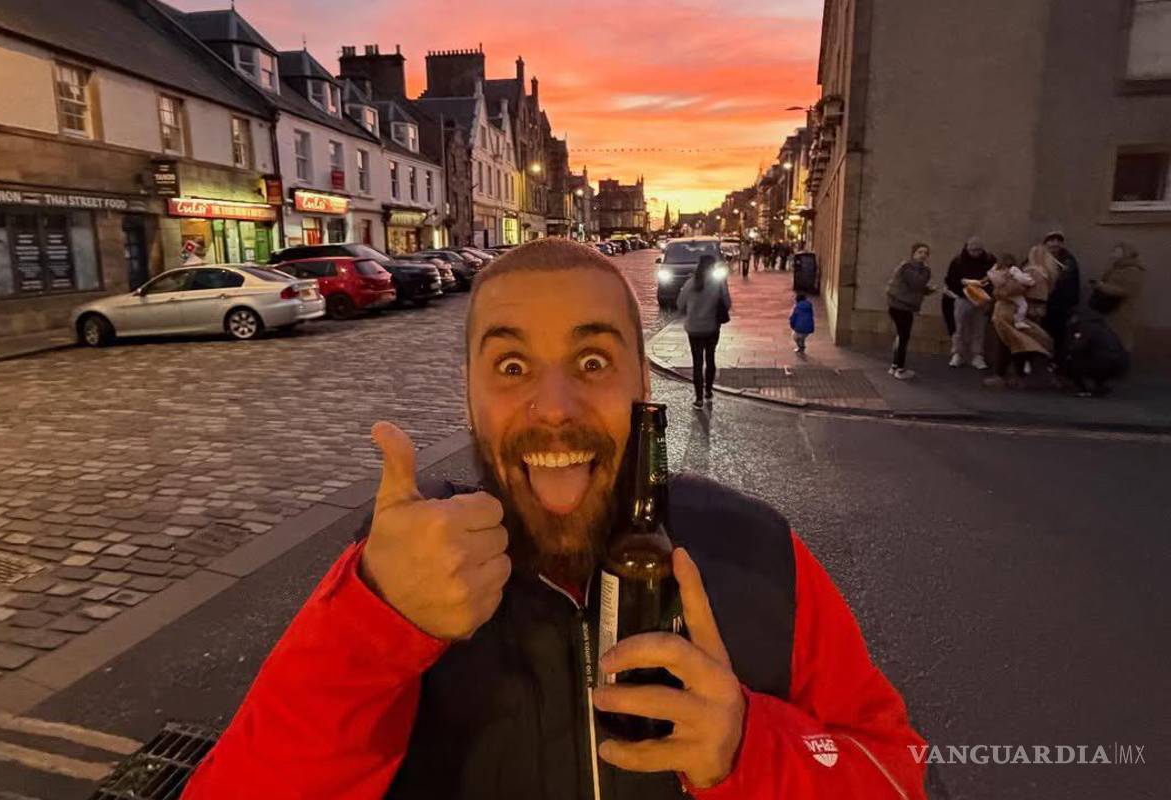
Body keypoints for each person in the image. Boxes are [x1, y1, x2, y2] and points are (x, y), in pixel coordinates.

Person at [183, 239, 925, 800]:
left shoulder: (760, 552)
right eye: (511, 368)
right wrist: (371, 629)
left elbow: (895, 772)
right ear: (468, 397)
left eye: (594, 362)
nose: (555, 408)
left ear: (644, 383)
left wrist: (750, 750)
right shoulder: (391, 582)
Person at [982, 248, 1055, 388]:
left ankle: (1002, 375)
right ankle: (1019, 376)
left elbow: (1012, 290)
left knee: (1007, 343)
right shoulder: (1046, 274)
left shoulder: (1033, 273)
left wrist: (999, 292)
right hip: (1031, 312)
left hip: (1015, 311)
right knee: (1022, 344)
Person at [677, 255, 731, 408]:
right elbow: (727, 303)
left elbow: (680, 303)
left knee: (697, 363)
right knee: (710, 358)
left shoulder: (690, 282)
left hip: (694, 328)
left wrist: (691, 309)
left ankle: (699, 398)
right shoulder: (718, 283)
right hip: (711, 327)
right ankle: (708, 391)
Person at [885, 242, 937, 380]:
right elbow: (916, 283)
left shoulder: (917, 269)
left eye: (926, 253)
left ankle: (895, 366)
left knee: (901, 336)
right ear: (913, 254)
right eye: (920, 252)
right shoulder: (908, 267)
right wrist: (927, 272)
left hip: (903, 306)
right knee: (903, 337)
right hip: (900, 307)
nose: (923, 255)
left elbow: (915, 288)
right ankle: (900, 369)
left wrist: (928, 290)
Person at [942, 236, 995, 369]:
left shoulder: (989, 260)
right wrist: (963, 291)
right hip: (962, 298)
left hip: (981, 299)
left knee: (979, 328)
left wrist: (985, 293)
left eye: (978, 250)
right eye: (972, 250)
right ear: (967, 249)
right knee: (959, 327)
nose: (975, 253)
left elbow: (994, 279)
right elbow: (950, 280)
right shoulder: (958, 261)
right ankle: (958, 354)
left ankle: (977, 355)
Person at [1088, 242, 1145, 353]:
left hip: (1123, 311)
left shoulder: (1133, 270)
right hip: (1110, 309)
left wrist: (1102, 286)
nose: (1113, 254)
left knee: (1122, 339)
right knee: (1110, 339)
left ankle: (1122, 358)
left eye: (1117, 252)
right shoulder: (1115, 267)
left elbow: (1125, 290)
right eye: (1114, 251)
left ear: (1126, 254)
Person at [1060, 307, 1129, 397]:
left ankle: (1082, 389)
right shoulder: (1102, 327)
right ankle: (1100, 387)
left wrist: (1065, 353)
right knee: (1095, 358)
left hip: (1103, 362)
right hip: (1119, 364)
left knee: (1071, 362)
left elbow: (1076, 347)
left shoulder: (1084, 327)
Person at [1042, 231, 1081, 358]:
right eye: (1051, 240)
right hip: (1043, 303)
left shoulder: (1068, 260)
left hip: (1061, 305)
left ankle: (1057, 360)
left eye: (1058, 241)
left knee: (1060, 335)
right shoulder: (1038, 257)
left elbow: (1067, 282)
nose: (1055, 244)